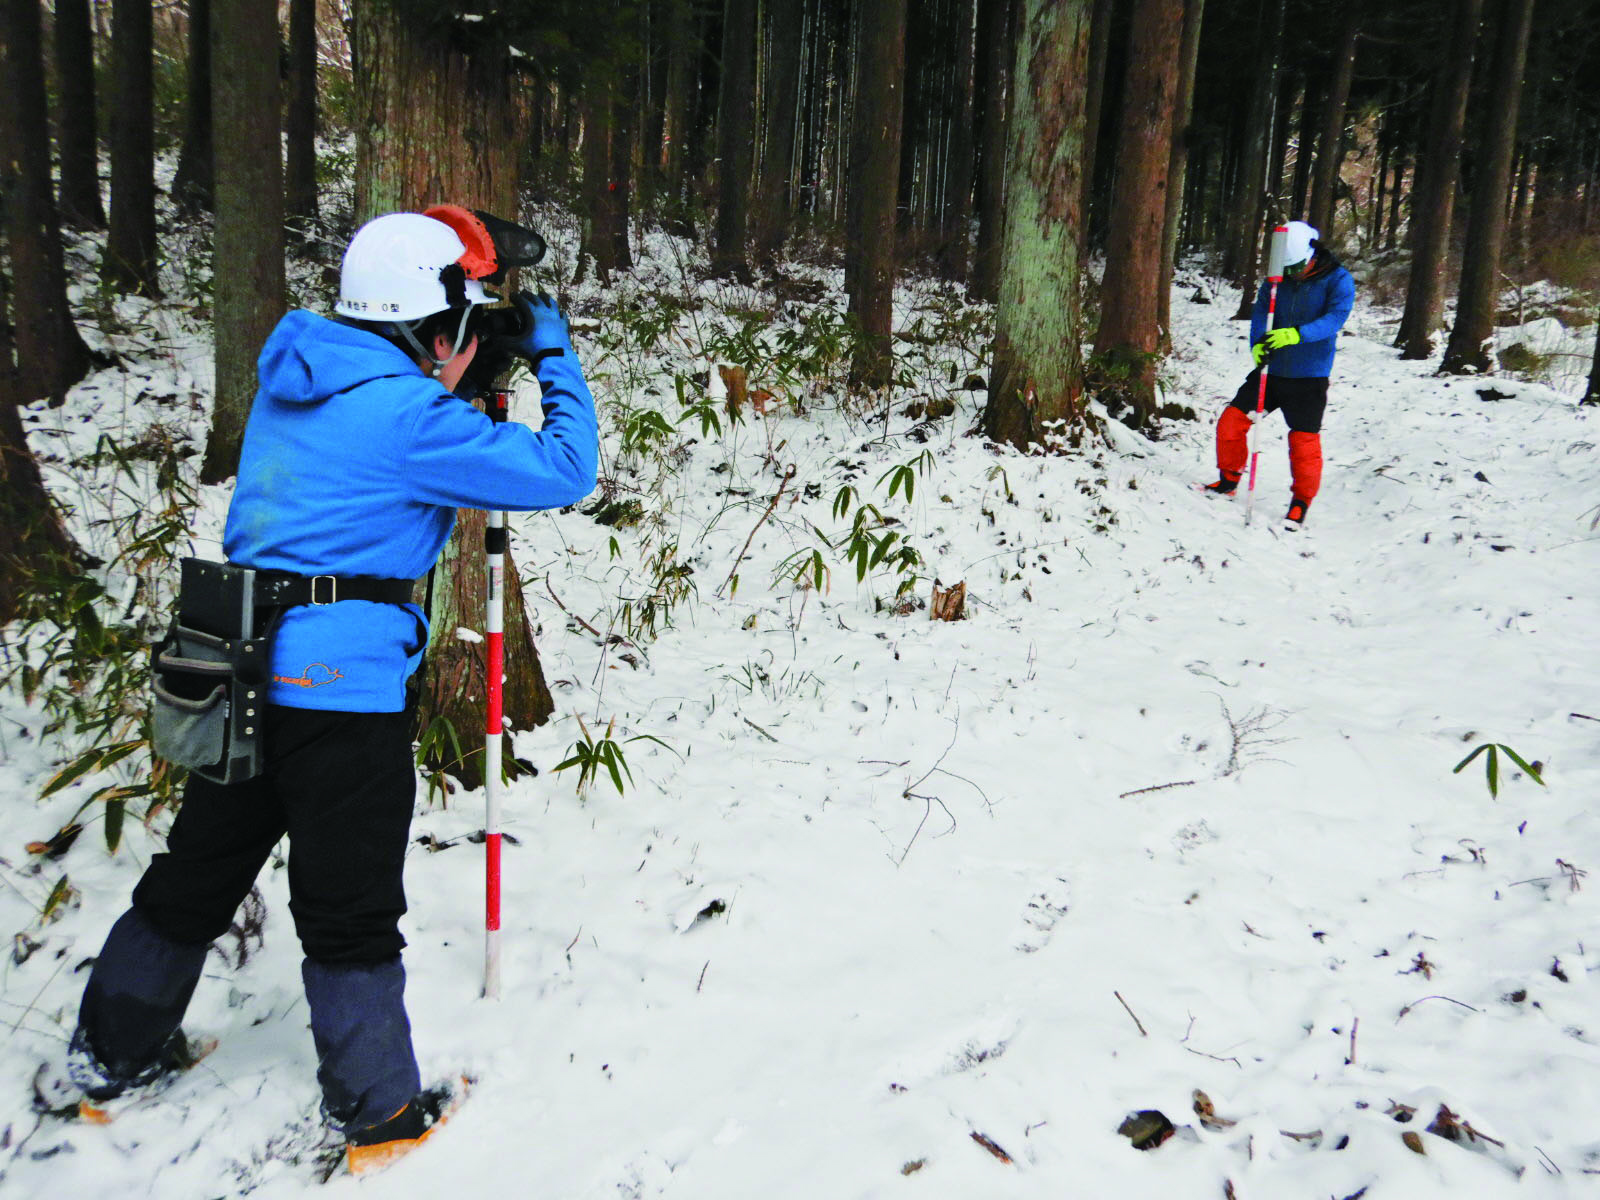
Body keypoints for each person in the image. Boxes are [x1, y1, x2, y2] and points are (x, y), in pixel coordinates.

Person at [64, 211, 599, 1172]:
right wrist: (550, 354)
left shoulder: (295, 379)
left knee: (197, 870)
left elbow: (372, 435)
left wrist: (468, 358)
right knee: (349, 907)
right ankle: (380, 1113)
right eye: (462, 330)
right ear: (433, 332)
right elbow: (566, 469)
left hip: (238, 669)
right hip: (341, 694)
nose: (468, 347)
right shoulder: (411, 420)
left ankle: (110, 1056)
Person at [1201, 219, 1355, 525]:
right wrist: (1257, 345)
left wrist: (1298, 334)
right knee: (1231, 422)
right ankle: (1229, 479)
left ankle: (1301, 500)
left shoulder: (1338, 280)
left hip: (1309, 375)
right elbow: (1261, 311)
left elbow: (1336, 318)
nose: (1290, 274)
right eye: (1286, 268)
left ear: (1312, 254)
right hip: (1271, 371)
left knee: (1303, 442)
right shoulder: (1276, 276)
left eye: (1295, 267)